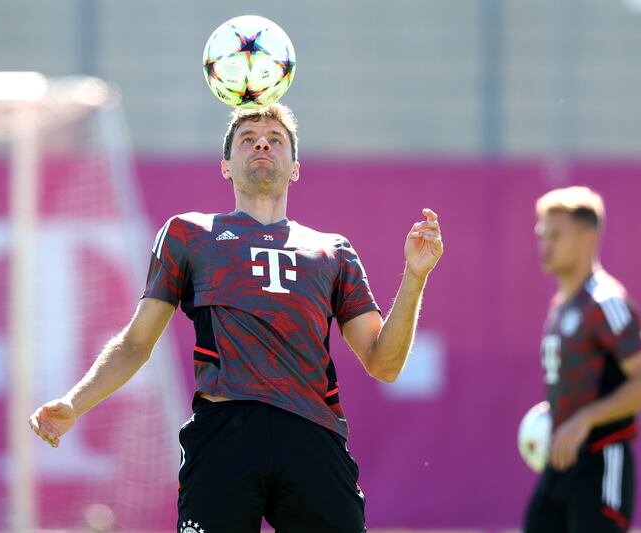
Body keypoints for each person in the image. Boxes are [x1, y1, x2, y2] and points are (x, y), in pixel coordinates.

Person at [29, 103, 444, 533]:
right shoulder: (188, 234)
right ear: (225, 166)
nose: (262, 142)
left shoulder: (332, 250)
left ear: (296, 167)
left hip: (312, 436)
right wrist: (75, 403)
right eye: (247, 138)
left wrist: (415, 276)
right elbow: (136, 343)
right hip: (223, 437)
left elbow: (385, 363)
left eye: (275, 139)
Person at [523, 186, 641, 533]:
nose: (545, 244)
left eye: (556, 235)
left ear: (588, 238)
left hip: (602, 461)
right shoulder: (560, 307)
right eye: (542, 235)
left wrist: (584, 419)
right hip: (558, 467)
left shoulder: (606, 302)